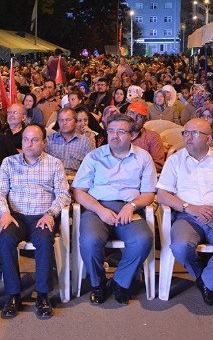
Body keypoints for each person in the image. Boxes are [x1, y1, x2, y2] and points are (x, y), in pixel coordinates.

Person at [156, 118, 213, 307]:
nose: (188, 137)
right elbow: (163, 194)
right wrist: (189, 207)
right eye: (186, 133)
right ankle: (205, 276)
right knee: (180, 246)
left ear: (209, 139)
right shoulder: (175, 160)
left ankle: (206, 282)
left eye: (195, 133)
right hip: (187, 216)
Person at [72, 114, 157, 305]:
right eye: (111, 131)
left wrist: (132, 206)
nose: (114, 136)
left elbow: (149, 193)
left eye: (120, 131)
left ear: (132, 135)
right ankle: (98, 283)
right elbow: (78, 192)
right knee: (89, 240)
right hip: (97, 207)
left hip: (129, 208)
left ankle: (120, 282)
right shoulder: (94, 156)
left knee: (143, 239)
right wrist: (100, 209)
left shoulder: (143, 157)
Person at [0, 124, 71, 319]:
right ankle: (13, 295)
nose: (29, 144)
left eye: (35, 140)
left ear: (44, 142)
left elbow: (63, 195)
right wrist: (4, 213)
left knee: (45, 241)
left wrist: (50, 213)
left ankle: (43, 295)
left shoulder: (54, 164)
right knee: (6, 239)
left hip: (41, 216)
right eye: (26, 139)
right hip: (15, 215)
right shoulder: (9, 162)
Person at [45, 107, 93, 174]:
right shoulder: (50, 140)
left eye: (68, 120)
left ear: (76, 122)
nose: (64, 123)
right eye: (61, 120)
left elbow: (91, 167)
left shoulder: (85, 142)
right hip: (53, 179)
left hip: (75, 181)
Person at [126, 102, 166, 171]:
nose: (134, 118)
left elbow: (158, 165)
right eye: (131, 114)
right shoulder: (117, 134)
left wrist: (132, 169)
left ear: (145, 120)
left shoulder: (153, 137)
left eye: (139, 116)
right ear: (125, 115)